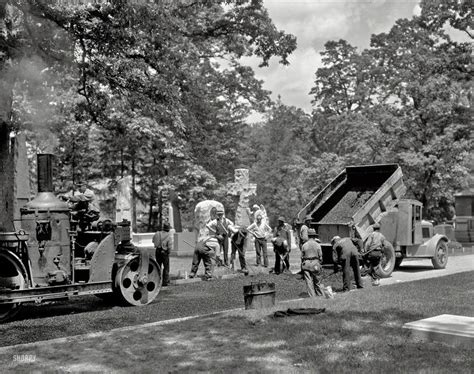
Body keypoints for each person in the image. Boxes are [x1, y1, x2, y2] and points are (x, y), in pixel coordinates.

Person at [301, 228, 324, 297]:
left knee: (309, 282)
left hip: (306, 264)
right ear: (314, 236)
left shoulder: (304, 245)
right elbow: (320, 257)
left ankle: (312, 297)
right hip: (315, 264)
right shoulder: (317, 245)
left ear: (308, 236)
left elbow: (302, 257)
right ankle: (320, 295)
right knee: (317, 281)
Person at [153, 222, 174, 286]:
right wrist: (168, 252)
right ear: (168, 229)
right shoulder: (168, 236)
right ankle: (165, 282)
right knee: (166, 267)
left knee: (158, 266)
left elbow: (153, 241)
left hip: (157, 251)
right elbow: (170, 247)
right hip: (164, 252)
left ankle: (157, 281)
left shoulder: (157, 233)